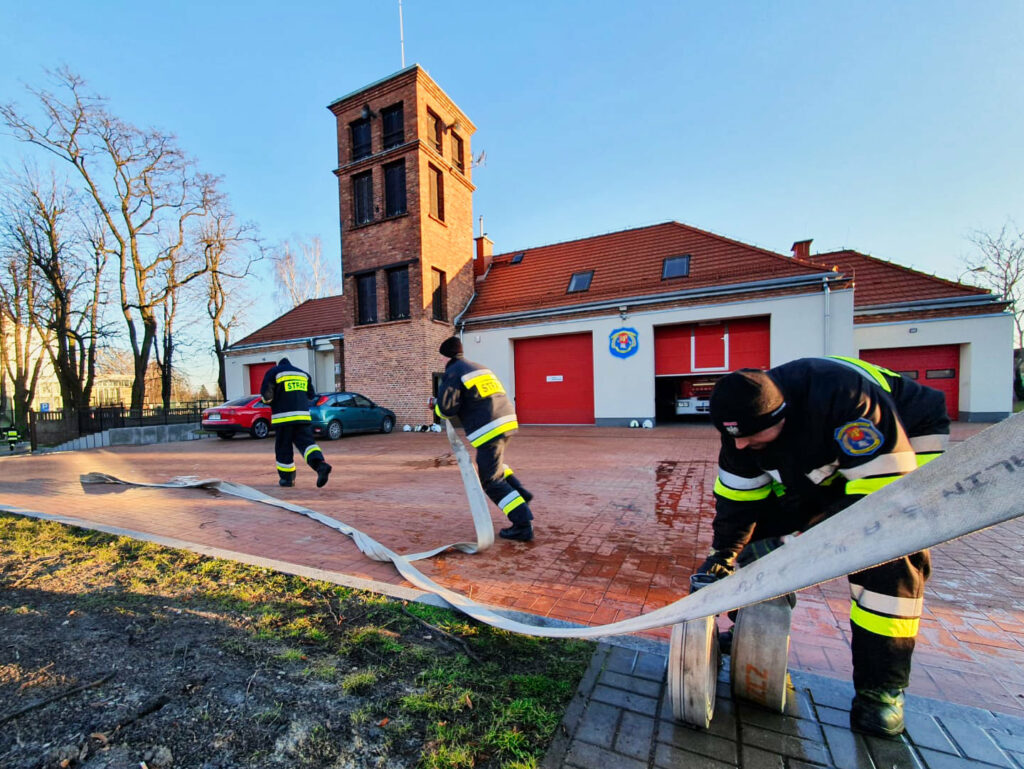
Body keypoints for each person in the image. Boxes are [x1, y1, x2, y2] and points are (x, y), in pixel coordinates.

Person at [697, 356, 949, 738]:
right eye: (733, 436)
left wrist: (794, 543)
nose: (740, 444)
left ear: (780, 419)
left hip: (905, 440)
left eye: (749, 436)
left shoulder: (845, 401)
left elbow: (880, 504)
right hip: (823, 458)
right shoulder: (742, 428)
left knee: (888, 556)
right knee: (760, 540)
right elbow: (738, 503)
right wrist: (724, 555)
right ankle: (755, 631)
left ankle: (881, 691)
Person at [432, 336, 535, 541]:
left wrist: (434, 404)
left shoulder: (453, 373)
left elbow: (446, 409)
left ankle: (522, 524)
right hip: (506, 421)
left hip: (488, 428)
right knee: (495, 467)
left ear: (444, 357)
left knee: (490, 480)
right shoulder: (478, 367)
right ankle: (521, 494)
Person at [259, 357, 332, 488]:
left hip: (283, 419)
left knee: (283, 448)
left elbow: (267, 396)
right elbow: (311, 395)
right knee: (308, 445)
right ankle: (321, 466)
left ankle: (287, 479)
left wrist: (268, 401)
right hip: (303, 418)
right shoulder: (303, 374)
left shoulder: (273, 372)